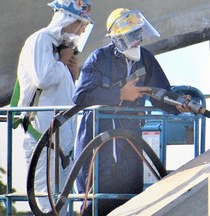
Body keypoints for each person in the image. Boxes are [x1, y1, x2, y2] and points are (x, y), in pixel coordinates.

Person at [72, 8, 191, 215]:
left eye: (138, 34)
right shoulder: (99, 58)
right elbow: (81, 96)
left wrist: (177, 104)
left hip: (130, 137)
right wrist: (119, 94)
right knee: (97, 198)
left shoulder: (145, 58)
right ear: (117, 38)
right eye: (131, 35)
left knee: (131, 199)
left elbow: (161, 92)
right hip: (98, 138)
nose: (137, 40)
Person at [16, 0, 93, 214]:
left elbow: (65, 95)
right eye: (81, 23)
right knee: (46, 206)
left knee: (63, 208)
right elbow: (43, 79)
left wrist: (73, 75)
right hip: (43, 140)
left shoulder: (61, 47)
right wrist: (62, 62)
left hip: (63, 144)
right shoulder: (40, 40)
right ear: (66, 18)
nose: (83, 29)